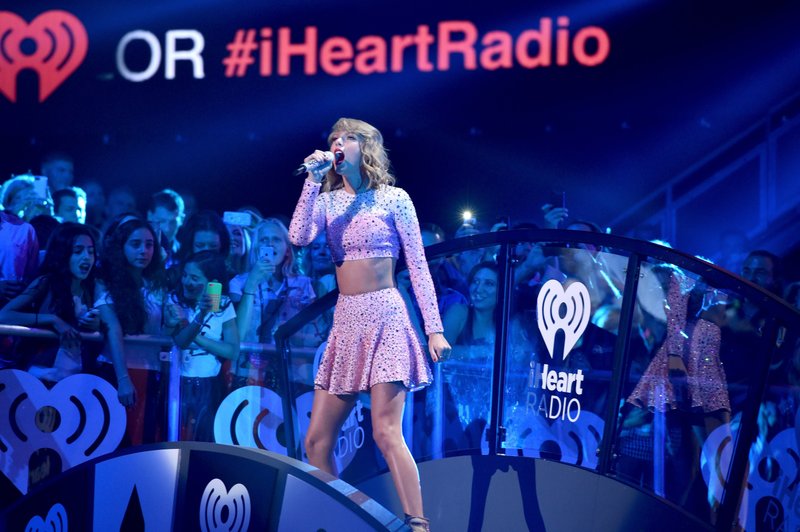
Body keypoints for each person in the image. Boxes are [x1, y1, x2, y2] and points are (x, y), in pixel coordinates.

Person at [289, 118, 450, 532]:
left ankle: (417, 525)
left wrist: (433, 327)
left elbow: (417, 264)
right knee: (316, 442)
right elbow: (299, 238)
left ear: (367, 148)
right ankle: (342, 518)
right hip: (346, 320)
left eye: (347, 139)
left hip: (386, 317)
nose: (337, 145)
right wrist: (312, 181)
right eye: (333, 140)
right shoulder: (325, 202)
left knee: (385, 430)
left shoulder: (394, 198)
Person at [0, 223, 103, 382]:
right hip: (42, 375)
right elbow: (4, 315)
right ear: (62, 254)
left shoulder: (90, 289)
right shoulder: (46, 282)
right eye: (78, 251)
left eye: (91, 252)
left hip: (76, 379)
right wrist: (53, 320)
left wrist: (95, 325)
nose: (86, 257)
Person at [229, 218, 316, 390]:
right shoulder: (239, 283)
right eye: (264, 240)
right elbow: (238, 332)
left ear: (287, 249)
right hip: (249, 372)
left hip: (292, 372)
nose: (270, 244)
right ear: (256, 248)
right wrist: (252, 283)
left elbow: (313, 335)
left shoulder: (304, 285)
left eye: (276, 239)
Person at [167, 251, 239, 441]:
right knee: (175, 438)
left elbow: (232, 350)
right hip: (179, 382)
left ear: (211, 282)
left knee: (204, 442)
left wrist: (195, 333)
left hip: (210, 385)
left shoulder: (223, 304)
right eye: (184, 275)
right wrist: (200, 317)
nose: (187, 282)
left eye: (194, 278)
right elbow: (181, 342)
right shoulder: (174, 301)